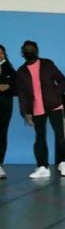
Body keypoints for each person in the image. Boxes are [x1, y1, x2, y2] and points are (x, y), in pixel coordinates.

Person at [15, 41, 65, 179]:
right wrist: (26, 113)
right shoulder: (21, 72)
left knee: (60, 136)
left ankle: (62, 163)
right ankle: (42, 167)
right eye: (26, 49)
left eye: (31, 49)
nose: (29, 51)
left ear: (37, 51)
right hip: (36, 109)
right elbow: (22, 95)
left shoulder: (47, 64)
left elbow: (62, 81)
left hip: (54, 106)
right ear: (22, 53)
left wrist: (55, 95)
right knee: (40, 138)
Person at [0, 44, 16, 180]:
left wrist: (8, 87)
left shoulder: (10, 70)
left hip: (4, 107)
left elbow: (17, 88)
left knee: (1, 135)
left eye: (1, 53)